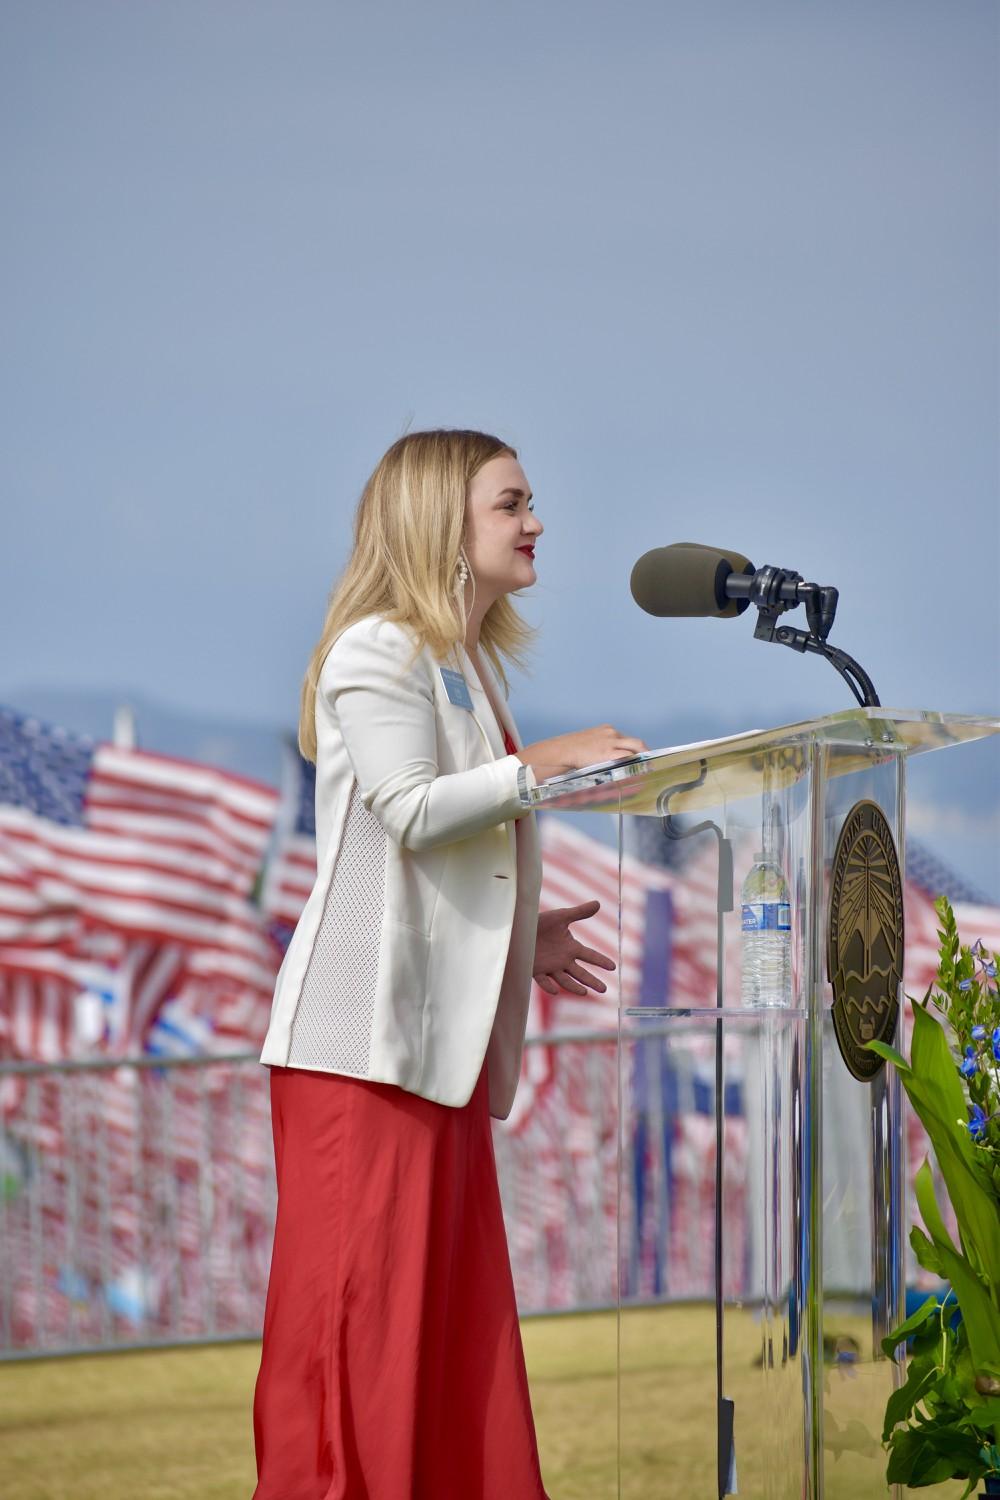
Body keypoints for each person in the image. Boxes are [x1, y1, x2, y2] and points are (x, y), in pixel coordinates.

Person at [250, 428, 648, 1499]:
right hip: (359, 1061)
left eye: (528, 503)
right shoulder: (377, 648)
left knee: (442, 1344)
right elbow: (414, 813)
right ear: (442, 523)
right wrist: (544, 764)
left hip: (437, 1058)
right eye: (511, 504)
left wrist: (522, 947)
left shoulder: (464, 663)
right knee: (353, 1349)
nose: (536, 523)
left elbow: (435, 873)